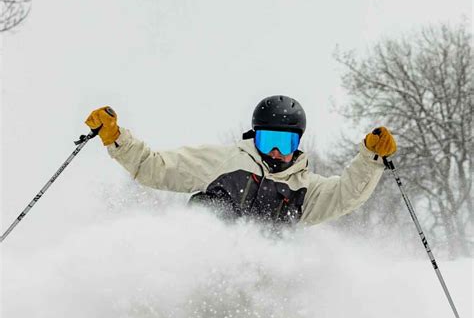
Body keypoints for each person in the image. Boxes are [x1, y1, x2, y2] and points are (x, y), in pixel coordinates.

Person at [85, 95, 396, 225]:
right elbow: (154, 167)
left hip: (265, 278)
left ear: (297, 143)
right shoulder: (223, 161)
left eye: (284, 142)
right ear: (254, 137)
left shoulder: (306, 188)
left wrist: (371, 159)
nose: (276, 152)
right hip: (206, 261)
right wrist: (116, 138)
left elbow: (346, 195)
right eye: (268, 141)